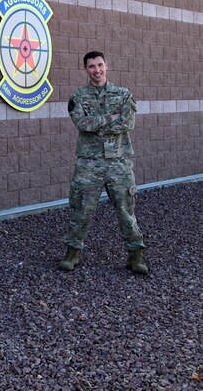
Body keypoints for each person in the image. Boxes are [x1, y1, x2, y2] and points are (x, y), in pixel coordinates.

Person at [59, 51, 148, 274]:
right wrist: (111, 118)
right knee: (81, 210)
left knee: (126, 211)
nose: (96, 70)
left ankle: (135, 255)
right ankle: (72, 253)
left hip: (119, 162)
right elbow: (81, 124)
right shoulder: (78, 96)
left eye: (100, 65)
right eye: (91, 66)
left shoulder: (124, 94)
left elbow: (128, 123)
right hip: (89, 164)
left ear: (106, 66)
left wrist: (97, 123)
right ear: (85, 69)